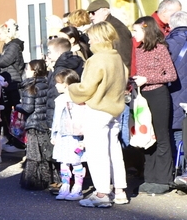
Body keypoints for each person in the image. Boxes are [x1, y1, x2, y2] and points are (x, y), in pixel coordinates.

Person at [68, 22, 130, 207]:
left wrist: (71, 88)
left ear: (97, 38)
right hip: (115, 109)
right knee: (114, 150)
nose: (89, 41)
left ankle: (102, 193)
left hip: (98, 109)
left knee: (97, 152)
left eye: (91, 37)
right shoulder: (117, 57)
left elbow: (86, 88)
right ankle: (120, 191)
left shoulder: (97, 59)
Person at [131, 16, 177, 195]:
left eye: (136, 30)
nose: (133, 34)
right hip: (142, 95)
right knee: (146, 135)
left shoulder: (160, 49)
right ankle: (149, 178)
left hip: (158, 94)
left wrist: (147, 79)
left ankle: (164, 179)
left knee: (161, 135)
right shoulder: (139, 49)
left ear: (146, 30)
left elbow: (171, 75)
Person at [17, 60, 55, 190]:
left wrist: (17, 106)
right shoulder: (47, 84)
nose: (26, 71)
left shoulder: (30, 87)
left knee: (33, 154)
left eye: (28, 69)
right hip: (44, 122)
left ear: (34, 71)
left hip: (33, 123)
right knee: (45, 153)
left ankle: (34, 181)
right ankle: (50, 179)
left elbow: (28, 108)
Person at [51, 69, 87, 200]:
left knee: (76, 161)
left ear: (66, 84)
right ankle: (65, 185)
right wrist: (54, 134)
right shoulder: (59, 100)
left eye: (58, 83)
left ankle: (77, 187)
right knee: (64, 162)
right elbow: (56, 119)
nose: (56, 85)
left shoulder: (78, 100)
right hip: (62, 135)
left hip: (75, 136)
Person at [0, 20, 26, 153]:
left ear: (7, 33)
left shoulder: (13, 46)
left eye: (0, 33)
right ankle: (11, 138)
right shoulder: (8, 46)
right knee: (8, 113)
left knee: (15, 114)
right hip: (9, 82)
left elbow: (2, 61)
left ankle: (18, 142)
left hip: (13, 83)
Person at [166, 11, 187, 187]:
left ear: (171, 25)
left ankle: (178, 170)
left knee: (177, 131)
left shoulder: (169, 43)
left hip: (174, 92)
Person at [86, 0, 133, 70]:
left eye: (93, 13)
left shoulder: (117, 28)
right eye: (89, 13)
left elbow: (125, 57)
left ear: (105, 11)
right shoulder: (104, 27)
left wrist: (123, 75)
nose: (90, 16)